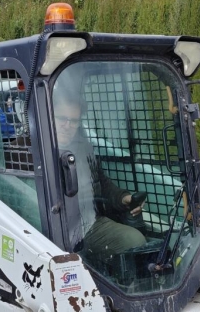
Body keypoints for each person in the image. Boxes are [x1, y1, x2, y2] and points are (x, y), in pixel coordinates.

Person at [52, 92, 147, 260]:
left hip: (89, 223)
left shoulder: (84, 148)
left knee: (134, 240)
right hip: (53, 229)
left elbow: (101, 182)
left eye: (74, 121)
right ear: (49, 115)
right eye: (62, 119)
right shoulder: (27, 152)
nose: (67, 125)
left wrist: (123, 197)